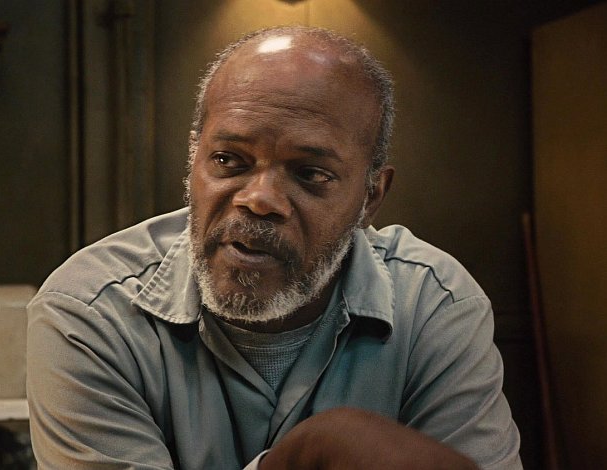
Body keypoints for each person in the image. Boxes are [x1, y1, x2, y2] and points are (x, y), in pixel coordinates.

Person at [26, 25, 522, 469]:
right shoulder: (92, 312)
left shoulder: (433, 306)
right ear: (193, 161)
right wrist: (293, 463)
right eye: (228, 160)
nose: (259, 199)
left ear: (370, 197)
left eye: (310, 173)